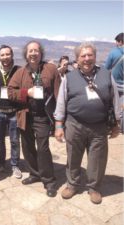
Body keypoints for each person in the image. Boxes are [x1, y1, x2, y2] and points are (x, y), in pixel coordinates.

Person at [55, 42, 120, 204]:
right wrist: (58, 125)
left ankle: (94, 188)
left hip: (99, 126)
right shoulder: (69, 77)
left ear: (95, 57)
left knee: (97, 159)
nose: (87, 58)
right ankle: (72, 185)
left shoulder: (106, 74)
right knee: (73, 157)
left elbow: (115, 99)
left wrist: (116, 123)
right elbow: (61, 102)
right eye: (83, 56)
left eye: (90, 55)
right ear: (77, 59)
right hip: (74, 124)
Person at [8, 40, 60, 197]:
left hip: (43, 116)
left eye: (36, 50)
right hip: (25, 115)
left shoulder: (50, 69)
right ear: (26, 54)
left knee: (43, 148)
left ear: (41, 53)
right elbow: (9, 92)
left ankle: (49, 180)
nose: (33, 53)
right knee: (27, 146)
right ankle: (35, 174)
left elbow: (59, 93)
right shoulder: (21, 72)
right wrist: (26, 93)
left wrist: (60, 119)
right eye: (30, 51)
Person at [0, 45, 22, 179]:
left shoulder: (19, 70)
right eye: (2, 55)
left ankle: (14, 165)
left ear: (12, 55)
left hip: (14, 111)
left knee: (15, 140)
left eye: (7, 54)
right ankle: (1, 164)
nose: (5, 57)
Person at [105, 32, 124, 133]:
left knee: (113, 105)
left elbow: (106, 68)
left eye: (117, 41)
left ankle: (115, 126)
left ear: (120, 41)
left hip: (115, 83)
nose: (116, 44)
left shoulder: (114, 52)